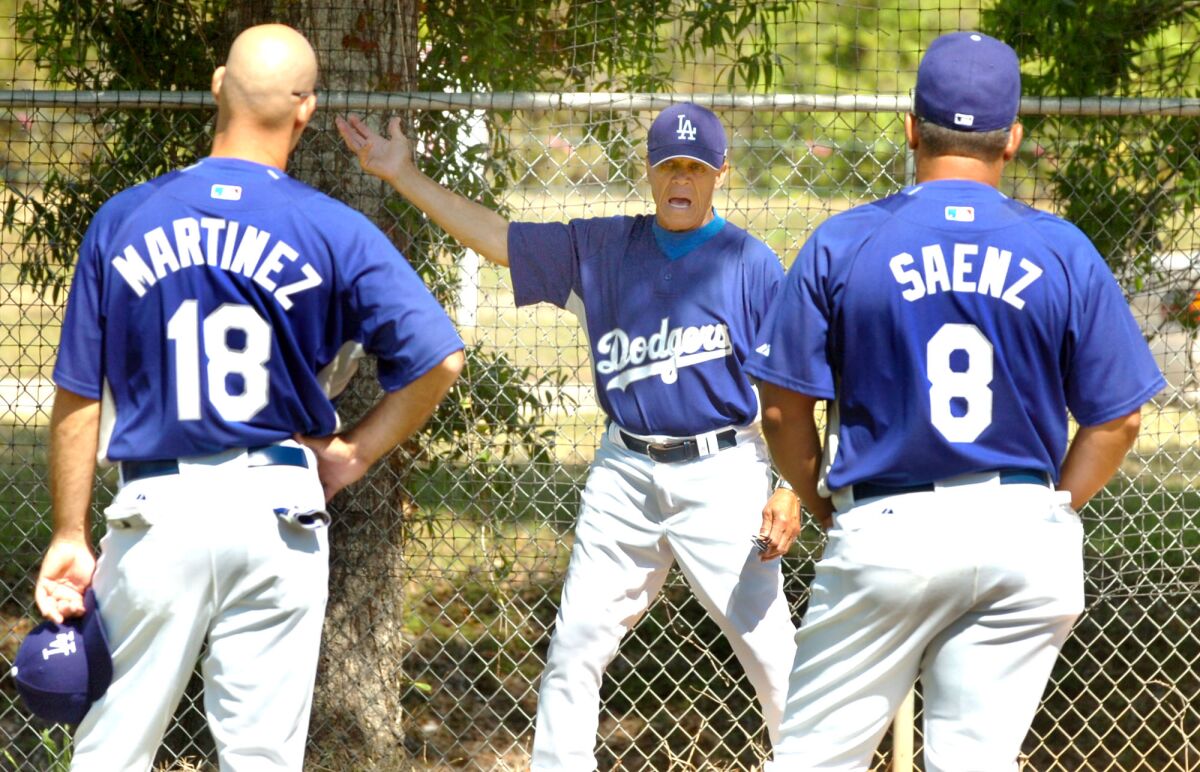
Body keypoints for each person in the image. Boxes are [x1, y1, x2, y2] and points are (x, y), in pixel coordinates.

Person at [34, 24, 465, 771]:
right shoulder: (335, 229)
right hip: (279, 509)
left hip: (158, 510)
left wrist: (69, 533)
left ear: (215, 88)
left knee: (110, 753)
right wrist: (355, 452)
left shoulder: (125, 218)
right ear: (305, 112)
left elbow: (78, 396)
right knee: (261, 757)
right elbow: (442, 360)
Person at [746, 31, 1167, 771]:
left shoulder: (847, 242)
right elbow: (1120, 417)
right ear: (1014, 138)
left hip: (889, 525)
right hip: (1022, 535)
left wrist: (816, 495)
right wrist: (1053, 504)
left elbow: (782, 407)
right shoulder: (1062, 249)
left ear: (910, 129)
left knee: (810, 761)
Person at [338, 102, 800, 768]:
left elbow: (788, 385)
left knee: (772, 653)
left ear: (720, 173)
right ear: (648, 171)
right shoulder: (603, 247)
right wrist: (403, 174)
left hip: (722, 470)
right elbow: (499, 239)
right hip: (625, 473)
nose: (681, 178)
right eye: (669, 163)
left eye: (696, 168)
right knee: (574, 652)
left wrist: (785, 485)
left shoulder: (748, 264)